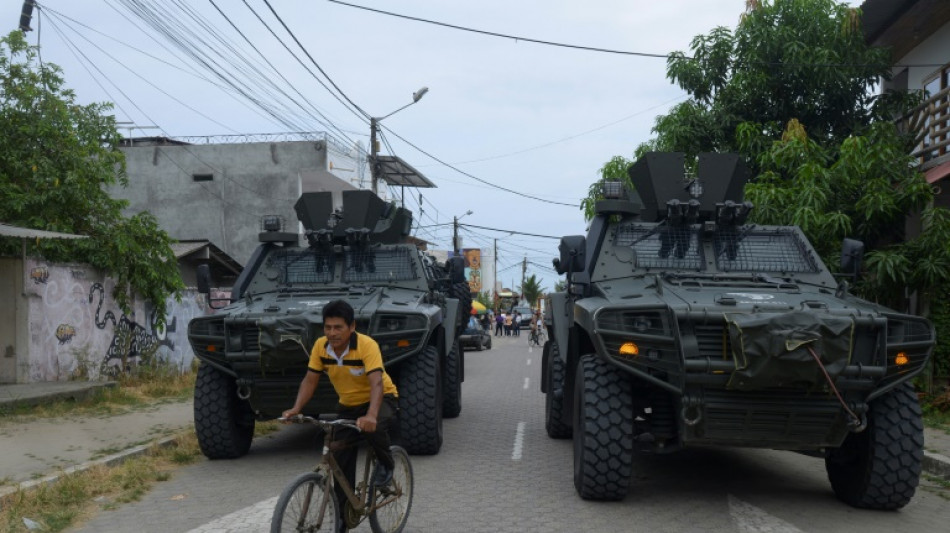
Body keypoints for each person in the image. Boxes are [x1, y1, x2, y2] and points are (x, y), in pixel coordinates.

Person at [282, 300, 399, 532]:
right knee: (339, 452)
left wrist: (371, 415)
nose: (332, 333)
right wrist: (296, 409)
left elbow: (376, 383)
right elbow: (310, 380)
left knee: (373, 427)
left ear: (352, 326)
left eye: (338, 327)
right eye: (328, 327)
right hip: (348, 405)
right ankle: (344, 519)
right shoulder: (320, 346)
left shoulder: (367, 345)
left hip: (382, 398)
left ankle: (387, 464)